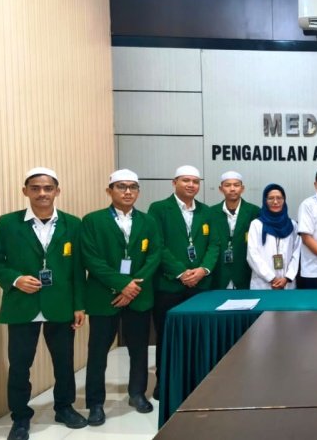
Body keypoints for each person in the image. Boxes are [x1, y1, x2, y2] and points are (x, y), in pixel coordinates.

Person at [0, 167, 87, 440]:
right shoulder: (8, 223)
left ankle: (64, 408)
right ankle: (20, 417)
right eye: (35, 188)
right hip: (22, 304)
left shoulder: (73, 224)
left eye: (48, 188)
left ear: (57, 191)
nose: (42, 193)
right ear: (25, 191)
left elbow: (78, 269)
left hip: (61, 304)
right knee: (20, 365)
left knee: (64, 362)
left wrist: (79, 305)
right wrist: (15, 279)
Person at [80, 169, 162, 425]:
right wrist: (122, 285)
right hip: (103, 297)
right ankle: (95, 403)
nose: (128, 192)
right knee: (98, 353)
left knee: (139, 350)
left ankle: (137, 393)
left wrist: (132, 287)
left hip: (138, 297)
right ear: (109, 190)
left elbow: (155, 255)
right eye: (121, 186)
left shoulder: (148, 221)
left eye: (133, 187)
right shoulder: (92, 221)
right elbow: (91, 259)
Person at [148, 165, 218, 399]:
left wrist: (202, 270)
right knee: (166, 336)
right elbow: (158, 245)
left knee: (198, 336)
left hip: (200, 285)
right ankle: (163, 381)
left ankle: (196, 380)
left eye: (195, 181)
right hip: (169, 285)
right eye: (186, 180)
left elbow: (214, 245)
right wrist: (181, 272)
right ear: (174, 182)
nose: (191, 185)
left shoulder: (206, 211)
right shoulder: (159, 209)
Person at [208, 171, 260, 290]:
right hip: (220, 273)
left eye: (236, 185)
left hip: (245, 272)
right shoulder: (211, 212)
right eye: (227, 185)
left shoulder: (254, 211)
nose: (232, 189)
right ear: (221, 189)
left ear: (242, 188)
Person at [247, 184, 301, 289]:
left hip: (287, 283)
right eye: (271, 198)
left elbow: (296, 253)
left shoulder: (293, 225)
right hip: (263, 283)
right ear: (265, 201)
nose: (275, 202)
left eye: (279, 198)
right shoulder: (257, 224)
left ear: (284, 200)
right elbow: (252, 255)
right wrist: (271, 278)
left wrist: (287, 277)